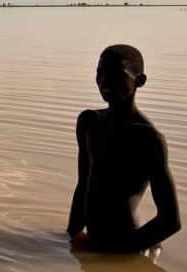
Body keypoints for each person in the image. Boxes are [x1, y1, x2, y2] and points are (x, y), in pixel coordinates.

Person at [68, 44, 181, 253]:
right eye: (100, 73)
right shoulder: (89, 122)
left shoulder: (149, 138)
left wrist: (117, 252)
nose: (105, 82)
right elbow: (83, 185)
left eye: (116, 75)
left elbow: (170, 221)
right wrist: (71, 236)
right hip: (93, 244)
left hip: (129, 246)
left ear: (140, 81)